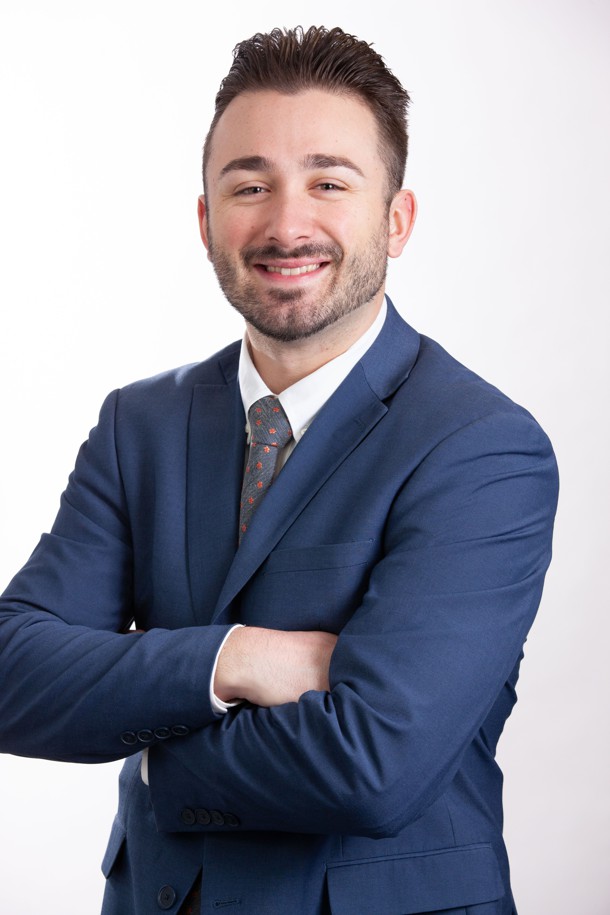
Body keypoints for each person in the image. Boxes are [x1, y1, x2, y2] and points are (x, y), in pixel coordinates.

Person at [0, 25, 558, 915]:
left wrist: (154, 755)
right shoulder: (137, 425)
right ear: (206, 221)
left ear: (397, 219)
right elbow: (13, 673)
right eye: (250, 186)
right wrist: (236, 658)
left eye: (329, 183)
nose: (286, 224)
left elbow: (374, 764)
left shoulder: (480, 446)